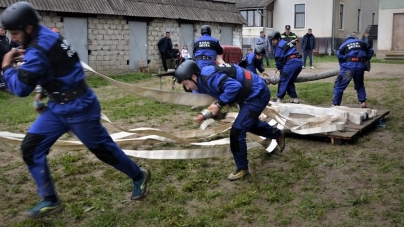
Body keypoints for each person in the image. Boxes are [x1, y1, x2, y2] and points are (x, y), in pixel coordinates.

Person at [0, 1, 150, 219]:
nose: (12, 39)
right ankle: (50, 200)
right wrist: (42, 92)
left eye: (14, 33)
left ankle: (139, 176)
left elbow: (21, 89)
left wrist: (6, 66)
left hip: (80, 108)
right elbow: (54, 67)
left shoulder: (38, 48)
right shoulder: (48, 37)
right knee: (31, 148)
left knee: (104, 151)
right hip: (58, 108)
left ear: (28, 29)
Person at [173, 60, 285, 181]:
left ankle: (242, 168)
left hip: (256, 94)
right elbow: (214, 100)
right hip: (247, 95)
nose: (187, 88)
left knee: (237, 132)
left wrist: (220, 105)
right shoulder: (199, 81)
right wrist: (205, 114)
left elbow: (234, 86)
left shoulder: (209, 77)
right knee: (247, 124)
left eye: (186, 83)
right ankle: (276, 133)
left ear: (193, 77)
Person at [332, 34, 374, 108]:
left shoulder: (343, 45)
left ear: (346, 39)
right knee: (360, 85)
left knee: (339, 86)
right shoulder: (361, 42)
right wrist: (365, 58)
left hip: (348, 67)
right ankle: (363, 102)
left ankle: (336, 104)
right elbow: (371, 50)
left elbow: (339, 56)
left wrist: (343, 67)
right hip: (360, 66)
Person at [270, 31, 302, 104]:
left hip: (291, 63)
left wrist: (278, 67)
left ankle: (279, 99)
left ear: (278, 39)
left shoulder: (279, 46)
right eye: (272, 40)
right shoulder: (285, 42)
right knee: (289, 80)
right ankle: (295, 99)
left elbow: (279, 59)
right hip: (299, 62)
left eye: (274, 40)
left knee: (283, 79)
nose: (272, 42)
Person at [0, 26, 11, 90]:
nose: (2, 32)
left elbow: (8, 47)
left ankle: (6, 86)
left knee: (6, 71)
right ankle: (3, 86)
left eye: (3, 31)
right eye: (1, 30)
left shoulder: (6, 38)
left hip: (5, 58)